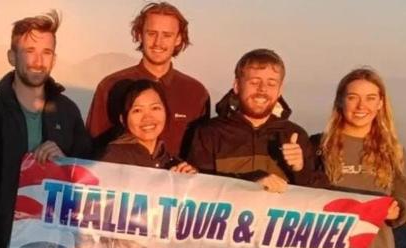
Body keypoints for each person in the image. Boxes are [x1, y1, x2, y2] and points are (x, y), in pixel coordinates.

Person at [0, 11, 92, 248]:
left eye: (46, 52)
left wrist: (65, 159)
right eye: (29, 50)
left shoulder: (67, 111)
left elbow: (89, 173)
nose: (38, 60)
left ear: (54, 59)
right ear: (12, 56)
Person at [311, 68, 406, 248]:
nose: (362, 106)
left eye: (370, 98)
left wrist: (397, 211)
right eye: (353, 98)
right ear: (340, 101)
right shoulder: (318, 146)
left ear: (381, 103)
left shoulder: (393, 151)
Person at [86, 1, 210, 159]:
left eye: (167, 35)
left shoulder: (195, 93)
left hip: (177, 181)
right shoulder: (111, 86)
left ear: (178, 39)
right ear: (139, 35)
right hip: (123, 180)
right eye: (151, 33)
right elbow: (92, 147)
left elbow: (201, 155)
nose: (158, 42)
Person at [188, 49, 317, 193]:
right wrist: (249, 181)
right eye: (254, 82)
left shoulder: (295, 135)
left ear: (280, 90)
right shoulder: (209, 133)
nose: (262, 89)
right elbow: (197, 187)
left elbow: (316, 199)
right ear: (237, 86)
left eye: (271, 84)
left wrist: (300, 170)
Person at [100, 79, 196, 173]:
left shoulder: (173, 162)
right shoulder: (113, 158)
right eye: (137, 110)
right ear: (123, 119)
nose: (147, 118)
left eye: (155, 108)